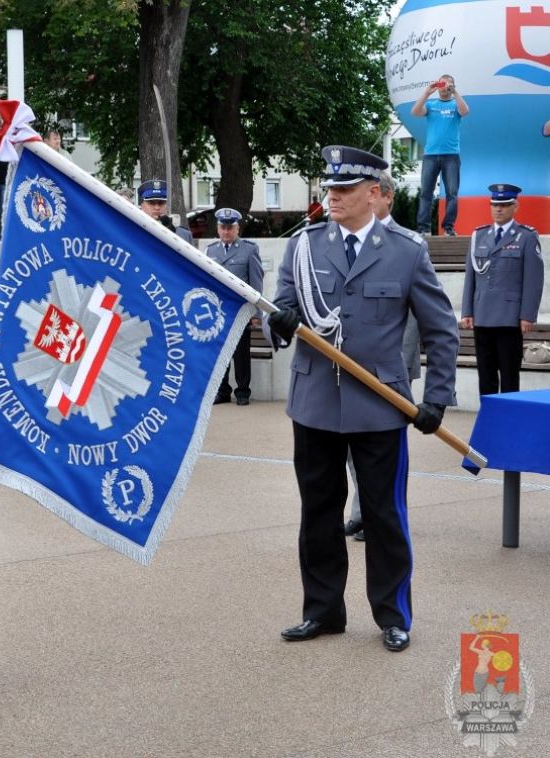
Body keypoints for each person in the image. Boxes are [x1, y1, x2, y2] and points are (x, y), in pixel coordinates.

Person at [266, 146, 458, 653]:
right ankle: (323, 611)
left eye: (345, 190)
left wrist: (435, 397)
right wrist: (280, 324)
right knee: (318, 514)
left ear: (374, 194)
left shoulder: (407, 250)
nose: (333, 196)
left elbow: (441, 331)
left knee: (384, 514)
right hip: (315, 404)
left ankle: (393, 615)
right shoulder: (304, 246)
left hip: (379, 406)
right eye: (329, 188)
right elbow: (281, 309)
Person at [345, 172, 423, 542]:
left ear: (387, 198)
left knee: (386, 453)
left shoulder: (409, 246)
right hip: (347, 371)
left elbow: (416, 318)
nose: (367, 202)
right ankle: (361, 511)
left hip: (388, 370)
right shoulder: (344, 242)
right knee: (351, 448)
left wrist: (400, 368)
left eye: (372, 195)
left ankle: (384, 514)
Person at [460, 183, 544, 396]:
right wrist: (467, 311)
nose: (498, 209)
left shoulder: (526, 236)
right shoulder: (479, 235)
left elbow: (533, 280)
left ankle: (508, 417)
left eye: (505, 205)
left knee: (509, 374)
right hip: (483, 315)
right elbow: (471, 276)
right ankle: (488, 416)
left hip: (510, 317)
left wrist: (527, 315)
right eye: (495, 205)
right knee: (485, 374)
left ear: (515, 206)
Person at [206, 208, 263, 406]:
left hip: (241, 311)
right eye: (223, 227)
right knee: (221, 353)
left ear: (237, 228)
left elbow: (256, 283)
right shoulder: (211, 250)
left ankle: (242, 391)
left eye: (230, 227)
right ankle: (222, 391)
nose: (226, 231)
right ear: (218, 228)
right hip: (219, 311)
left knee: (241, 353)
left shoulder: (249, 250)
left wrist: (257, 313)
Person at [410, 74, 469, 236]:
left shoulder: (455, 104)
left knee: (452, 193)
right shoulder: (431, 104)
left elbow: (465, 111)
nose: (444, 88)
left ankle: (448, 228)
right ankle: (424, 228)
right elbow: (415, 112)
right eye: (442, 84)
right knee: (426, 193)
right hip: (430, 155)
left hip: (451, 156)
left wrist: (455, 92)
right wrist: (427, 92)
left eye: (448, 85)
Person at [137, 179, 192, 244]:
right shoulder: (134, 231)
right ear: (142, 206)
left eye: (161, 203)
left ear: (167, 206)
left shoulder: (184, 235)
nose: (157, 208)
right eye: (151, 203)